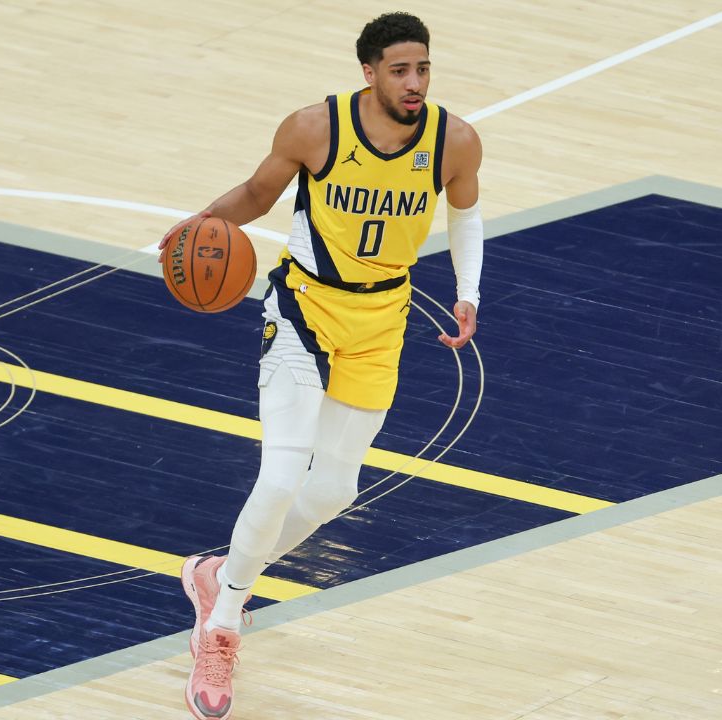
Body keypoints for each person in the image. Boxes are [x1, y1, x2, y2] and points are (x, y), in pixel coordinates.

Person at [158, 12, 483, 720]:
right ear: (368, 71)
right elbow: (255, 195)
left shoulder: (454, 140)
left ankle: (222, 577)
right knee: (280, 476)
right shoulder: (315, 128)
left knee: (334, 490)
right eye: (400, 69)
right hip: (304, 308)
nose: (415, 82)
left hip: (381, 322)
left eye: (423, 68)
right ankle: (219, 630)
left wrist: (467, 292)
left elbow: (464, 214)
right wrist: (198, 226)